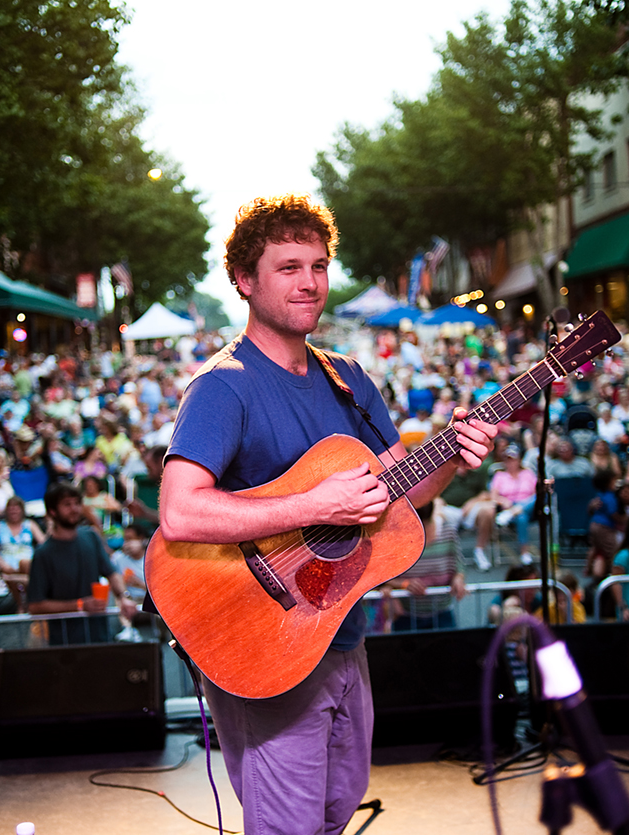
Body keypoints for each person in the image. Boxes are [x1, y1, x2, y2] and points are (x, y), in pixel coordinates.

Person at [156, 194, 498, 835]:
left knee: (337, 812)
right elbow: (178, 513)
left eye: (318, 265)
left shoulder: (348, 378)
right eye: (288, 267)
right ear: (244, 282)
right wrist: (315, 504)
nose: (309, 282)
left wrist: (455, 454)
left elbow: (400, 488)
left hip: (339, 634)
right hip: (264, 643)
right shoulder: (223, 385)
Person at [26, 483, 136, 645]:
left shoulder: (91, 537)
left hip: (99, 634)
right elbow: (36, 605)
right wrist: (80, 605)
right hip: (65, 641)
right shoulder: (43, 554)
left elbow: (111, 573)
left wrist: (124, 596)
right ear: (52, 511)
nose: (74, 509)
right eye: (67, 504)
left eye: (77, 503)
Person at [380, 499, 467, 632]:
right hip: (406, 614)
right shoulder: (395, 537)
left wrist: (458, 579)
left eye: (424, 525)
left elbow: (459, 565)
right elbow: (381, 577)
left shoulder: (447, 531)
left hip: (442, 611)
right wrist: (403, 584)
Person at [0, 496, 45, 612]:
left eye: (16, 508)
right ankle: (22, 603)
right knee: (6, 569)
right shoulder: (0, 526)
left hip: (27, 560)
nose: (14, 511)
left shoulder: (29, 524)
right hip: (6, 561)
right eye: (11, 508)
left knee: (25, 563)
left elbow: (43, 542)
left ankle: (27, 598)